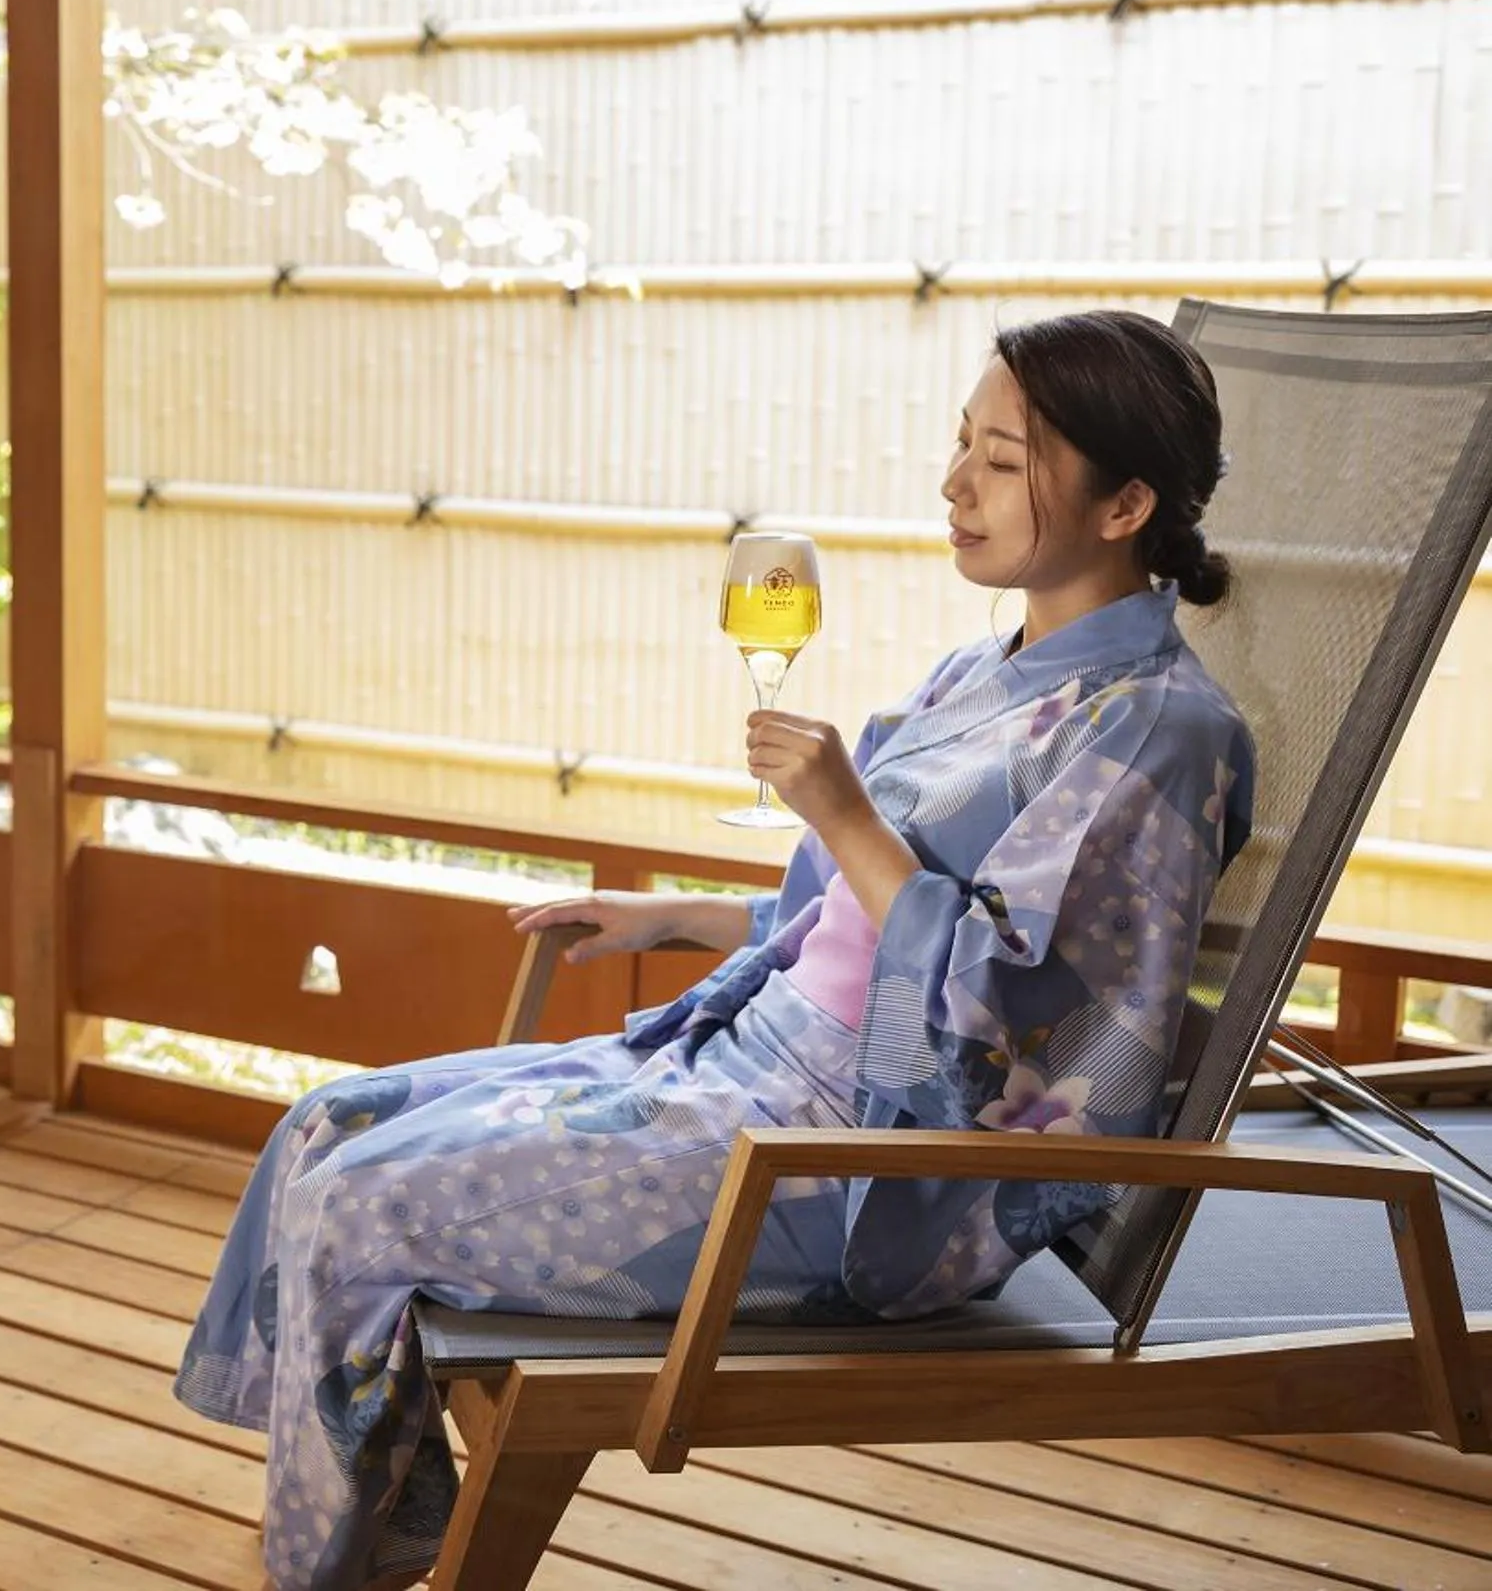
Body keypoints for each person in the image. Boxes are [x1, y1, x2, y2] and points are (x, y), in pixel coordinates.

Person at [173, 310, 1260, 1591]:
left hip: (852, 1157)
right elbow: (871, 928)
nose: (954, 484)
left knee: (362, 1207)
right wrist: (685, 919)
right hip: (752, 1063)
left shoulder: (1160, 728)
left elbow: (1006, 1006)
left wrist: (843, 811)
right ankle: (394, 1502)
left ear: (1124, 500)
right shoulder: (987, 665)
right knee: (324, 1125)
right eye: (959, 444)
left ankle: (335, 1559)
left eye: (1004, 461)